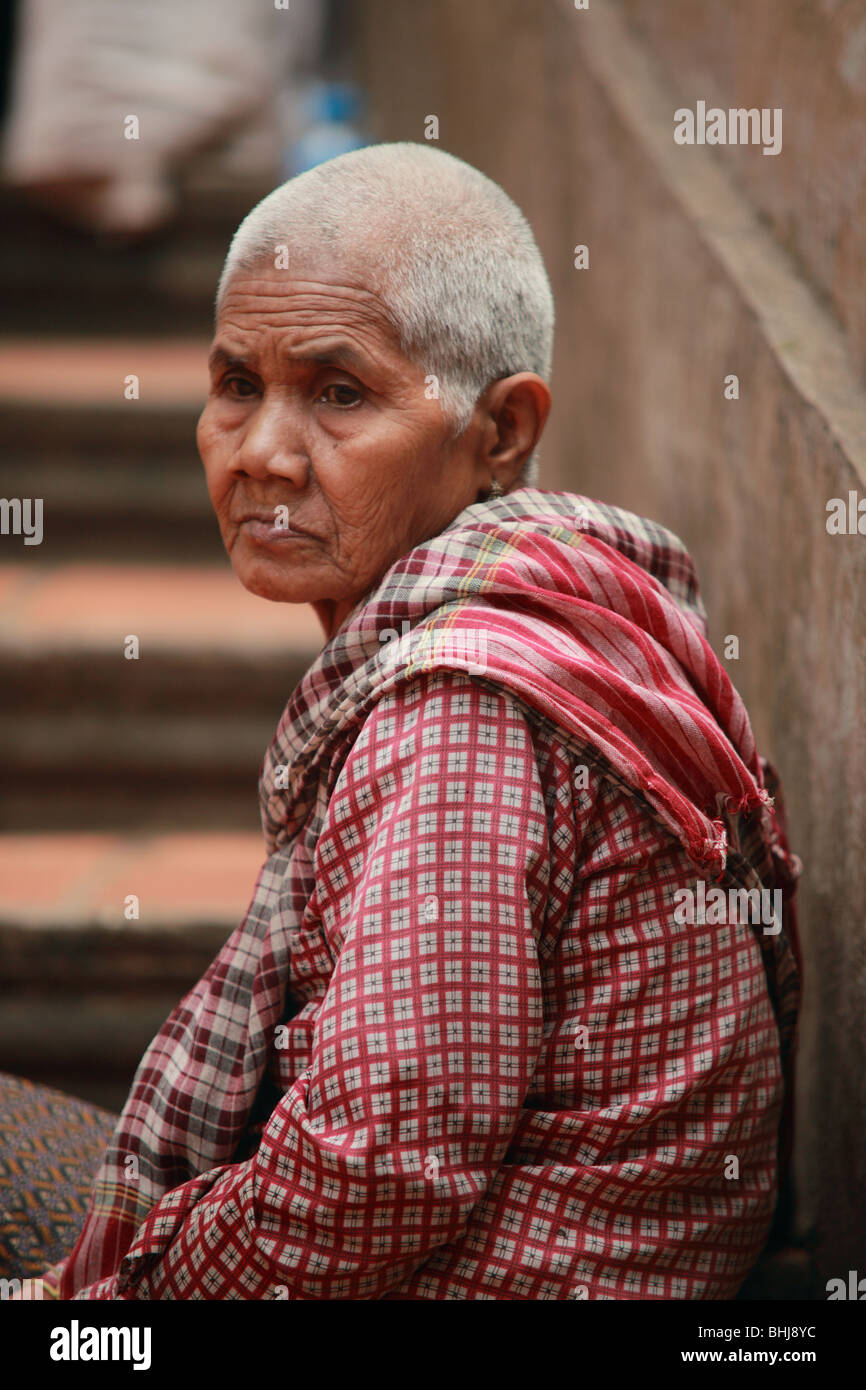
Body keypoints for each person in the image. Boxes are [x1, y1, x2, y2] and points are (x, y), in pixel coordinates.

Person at [33, 141, 800, 1299]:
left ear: (499, 431)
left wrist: (105, 1308)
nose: (262, 455)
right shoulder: (548, 596)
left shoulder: (458, 708)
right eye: (237, 383)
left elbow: (377, 1164)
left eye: (339, 394)